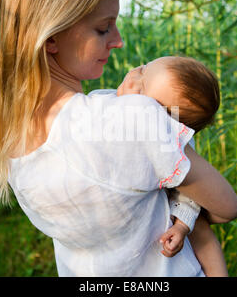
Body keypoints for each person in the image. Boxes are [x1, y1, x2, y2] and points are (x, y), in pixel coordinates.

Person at [0, 0, 237, 276]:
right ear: (50, 38)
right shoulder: (134, 116)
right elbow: (228, 207)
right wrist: (186, 215)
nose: (118, 40)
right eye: (103, 28)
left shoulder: (11, 146)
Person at [89, 56, 229, 276]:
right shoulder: (104, 100)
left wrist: (182, 225)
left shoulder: (169, 145)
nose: (134, 73)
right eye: (144, 67)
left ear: (163, 123)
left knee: (201, 232)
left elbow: (189, 196)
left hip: (160, 215)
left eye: (142, 85)